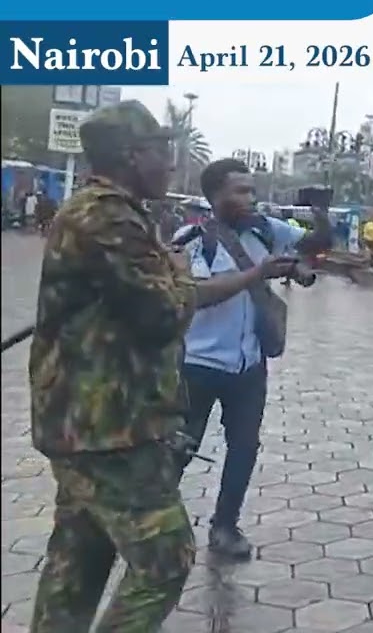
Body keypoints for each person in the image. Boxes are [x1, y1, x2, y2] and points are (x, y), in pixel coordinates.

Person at [27, 101, 197, 632]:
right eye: (160, 151)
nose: (169, 163)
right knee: (166, 559)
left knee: (78, 562)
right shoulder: (106, 215)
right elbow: (163, 315)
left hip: (82, 421)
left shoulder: (103, 211)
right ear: (132, 155)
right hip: (111, 430)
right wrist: (182, 274)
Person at [175, 158, 332, 559]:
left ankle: (225, 527)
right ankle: (155, 525)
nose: (249, 198)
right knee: (179, 446)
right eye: (239, 191)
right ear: (215, 196)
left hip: (248, 363)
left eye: (251, 190)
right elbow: (196, 295)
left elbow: (314, 245)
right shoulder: (192, 239)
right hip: (198, 364)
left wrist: (321, 214)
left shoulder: (266, 230)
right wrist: (255, 274)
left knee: (244, 446)